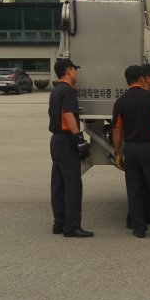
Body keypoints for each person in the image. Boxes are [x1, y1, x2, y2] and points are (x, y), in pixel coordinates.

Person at [112, 65, 150, 239]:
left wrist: (117, 152)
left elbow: (117, 129)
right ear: (141, 78)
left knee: (134, 190)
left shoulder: (120, 102)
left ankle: (138, 229)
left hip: (131, 149)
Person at [48, 58, 93, 238]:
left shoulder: (56, 91)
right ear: (68, 70)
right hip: (66, 140)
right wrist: (79, 138)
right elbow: (68, 116)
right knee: (73, 185)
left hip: (56, 140)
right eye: (75, 69)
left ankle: (59, 223)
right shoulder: (67, 91)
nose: (77, 72)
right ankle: (72, 227)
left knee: (58, 184)